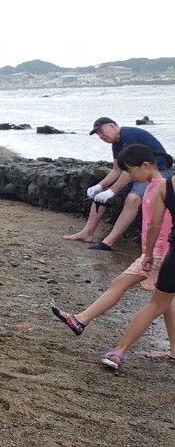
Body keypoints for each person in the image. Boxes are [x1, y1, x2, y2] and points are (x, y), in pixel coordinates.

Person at [53, 144, 174, 345]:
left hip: (159, 254)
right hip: (157, 253)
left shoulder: (161, 188)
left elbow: (164, 226)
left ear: (145, 166)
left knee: (122, 285)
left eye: (130, 171)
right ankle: (174, 350)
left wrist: (152, 257)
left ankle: (81, 320)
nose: (128, 176)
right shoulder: (153, 186)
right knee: (167, 302)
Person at [97, 149, 175, 370]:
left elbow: (155, 225)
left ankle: (118, 352)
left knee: (156, 304)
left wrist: (148, 254)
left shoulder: (165, 186)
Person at [65, 116, 172, 251]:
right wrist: (101, 186)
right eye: (98, 134)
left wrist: (112, 191)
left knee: (133, 199)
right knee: (102, 194)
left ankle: (108, 242)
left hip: (158, 171)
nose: (101, 136)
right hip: (137, 172)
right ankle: (87, 232)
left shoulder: (128, 135)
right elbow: (117, 170)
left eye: (101, 131)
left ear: (112, 125)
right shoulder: (116, 143)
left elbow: (130, 171)